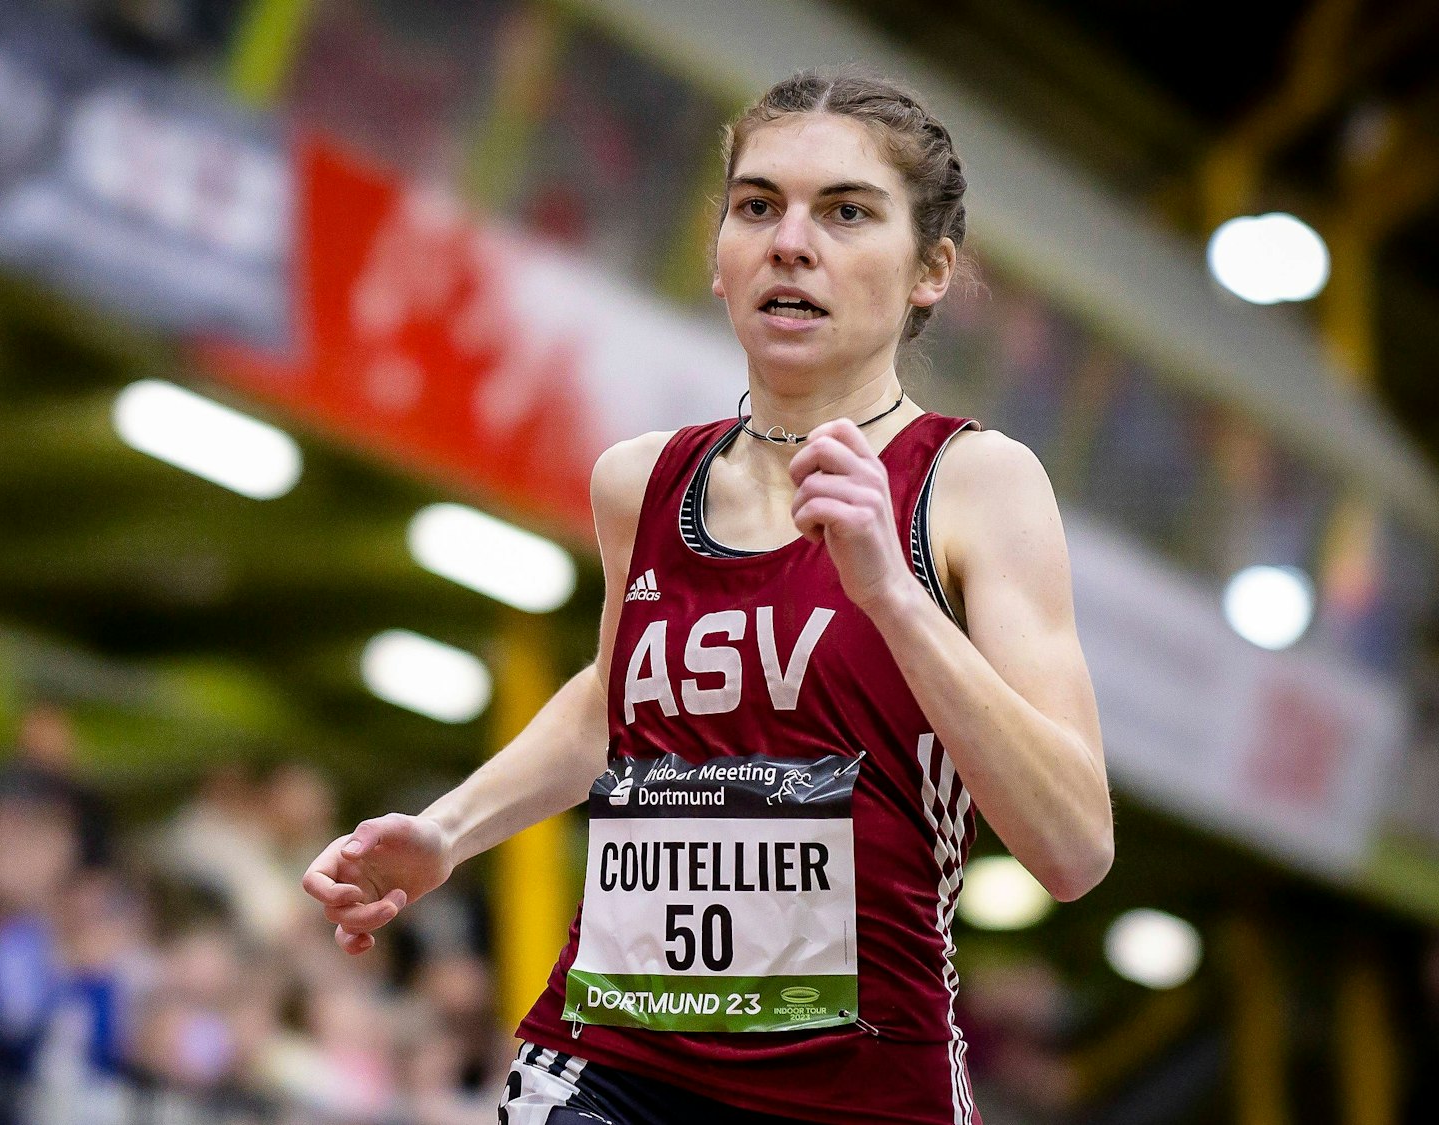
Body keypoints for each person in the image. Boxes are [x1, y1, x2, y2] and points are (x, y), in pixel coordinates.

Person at [302, 66, 1113, 1125]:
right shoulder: (637, 482)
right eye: (757, 205)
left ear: (928, 271)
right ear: (718, 258)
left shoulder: (975, 484)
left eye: (845, 212)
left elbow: (1073, 848)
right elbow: (614, 702)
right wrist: (449, 830)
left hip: (857, 1090)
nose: (790, 241)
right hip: (612, 1063)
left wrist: (894, 597)